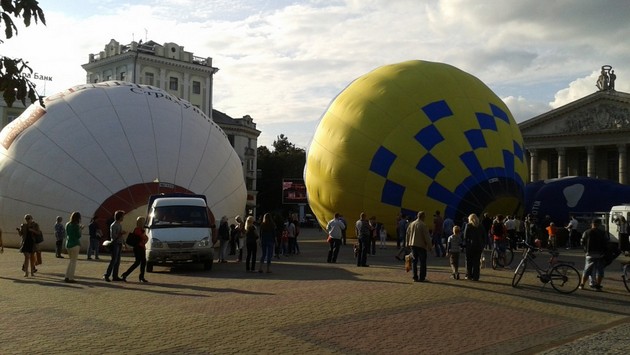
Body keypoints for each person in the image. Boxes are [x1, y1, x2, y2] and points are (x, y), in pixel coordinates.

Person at [579, 219, 608, 291]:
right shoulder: (602, 233)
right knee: (600, 270)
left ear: (592, 224)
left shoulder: (586, 232)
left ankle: (582, 284)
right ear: (599, 224)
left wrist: (585, 250)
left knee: (587, 269)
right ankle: (598, 286)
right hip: (600, 254)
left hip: (590, 254)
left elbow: (582, 242)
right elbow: (606, 242)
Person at [406, 211, 432, 282]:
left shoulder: (412, 224)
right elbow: (427, 237)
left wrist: (407, 243)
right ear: (423, 217)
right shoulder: (423, 225)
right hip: (421, 246)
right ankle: (422, 277)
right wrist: (430, 246)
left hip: (413, 245)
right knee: (422, 262)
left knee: (414, 262)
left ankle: (415, 277)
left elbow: (407, 234)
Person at [121, 216, 149, 283]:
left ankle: (141, 276)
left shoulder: (141, 229)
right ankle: (126, 274)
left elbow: (145, 238)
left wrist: (145, 237)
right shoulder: (138, 229)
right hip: (138, 247)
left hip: (141, 247)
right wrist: (145, 237)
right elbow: (143, 237)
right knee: (138, 262)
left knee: (142, 262)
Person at [103, 210, 126, 282]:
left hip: (119, 243)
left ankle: (115, 276)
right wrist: (120, 234)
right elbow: (113, 236)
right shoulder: (114, 225)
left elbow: (120, 236)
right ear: (120, 217)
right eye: (122, 216)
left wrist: (124, 243)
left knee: (118, 261)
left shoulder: (119, 224)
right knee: (114, 260)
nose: (123, 218)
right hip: (115, 243)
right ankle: (107, 275)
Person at [464, 213, 485, 281]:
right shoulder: (481, 226)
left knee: (469, 261)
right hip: (479, 246)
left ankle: (469, 275)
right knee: (476, 262)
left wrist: (465, 244)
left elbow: (465, 236)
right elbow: (484, 236)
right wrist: (483, 245)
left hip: (470, 246)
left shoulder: (468, 225)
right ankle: (476, 276)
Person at [64, 211, 83, 283]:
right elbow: (78, 236)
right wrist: (80, 229)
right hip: (75, 244)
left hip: (68, 244)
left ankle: (67, 276)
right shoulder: (76, 226)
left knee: (71, 261)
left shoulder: (67, 224)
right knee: (73, 262)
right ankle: (71, 277)